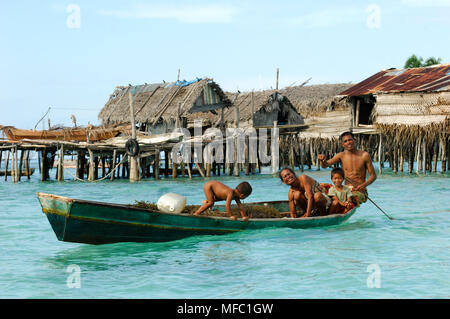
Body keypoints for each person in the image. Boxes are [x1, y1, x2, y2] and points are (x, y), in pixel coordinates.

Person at [318, 131, 376, 207]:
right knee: (321, 190)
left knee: (351, 199)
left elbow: (373, 175)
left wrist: (363, 185)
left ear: (354, 140)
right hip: (344, 189)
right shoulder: (341, 155)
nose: (348, 142)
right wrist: (322, 160)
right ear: (342, 144)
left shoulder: (364, 155)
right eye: (345, 141)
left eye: (350, 140)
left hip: (359, 191)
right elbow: (325, 165)